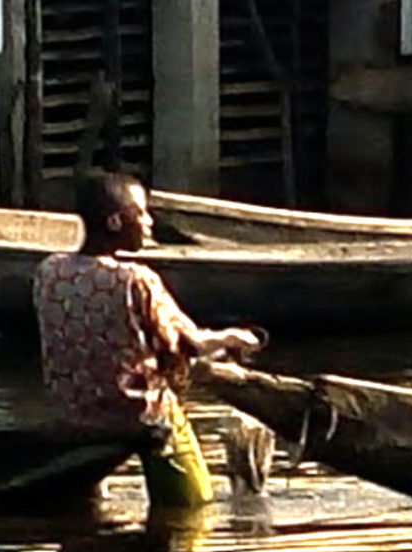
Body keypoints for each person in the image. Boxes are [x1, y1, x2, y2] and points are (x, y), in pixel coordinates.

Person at [33, 172, 263, 507]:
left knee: (90, 506)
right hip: (140, 416)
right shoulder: (135, 279)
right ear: (115, 221)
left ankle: (95, 497)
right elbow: (189, 344)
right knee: (194, 505)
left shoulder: (49, 271)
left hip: (75, 415)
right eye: (141, 214)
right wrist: (233, 338)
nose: (149, 223)